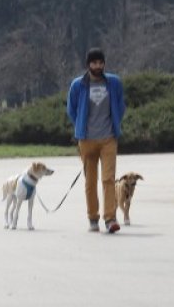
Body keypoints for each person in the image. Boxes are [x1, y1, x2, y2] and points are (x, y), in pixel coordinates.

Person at [67, 48, 126, 233]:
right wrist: (81, 126)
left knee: (108, 179)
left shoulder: (114, 83)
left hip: (108, 138)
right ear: (88, 65)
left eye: (101, 63)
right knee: (90, 182)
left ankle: (110, 219)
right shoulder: (78, 85)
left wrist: (115, 123)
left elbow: (120, 105)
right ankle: (93, 218)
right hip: (86, 140)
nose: (98, 66)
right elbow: (72, 109)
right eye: (94, 63)